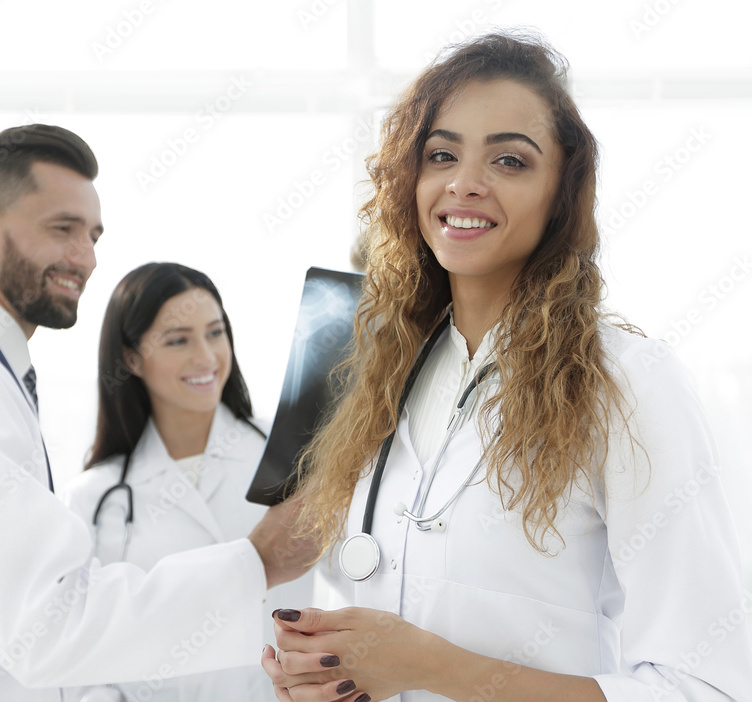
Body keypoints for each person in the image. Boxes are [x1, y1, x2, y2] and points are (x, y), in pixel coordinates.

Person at [260, 32, 752, 702]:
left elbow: (704, 688)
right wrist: (326, 681)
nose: (464, 182)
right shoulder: (377, 372)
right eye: (441, 155)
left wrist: (432, 668)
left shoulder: (629, 382)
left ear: (561, 194)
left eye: (510, 160)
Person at [0, 124, 314, 702]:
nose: (86, 258)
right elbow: (48, 625)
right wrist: (257, 562)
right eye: (62, 229)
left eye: (93, 235)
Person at [60, 262, 315, 702]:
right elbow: (80, 660)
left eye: (215, 333)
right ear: (131, 358)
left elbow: (363, 574)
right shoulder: (92, 500)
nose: (206, 357)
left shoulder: (295, 453)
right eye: (178, 340)